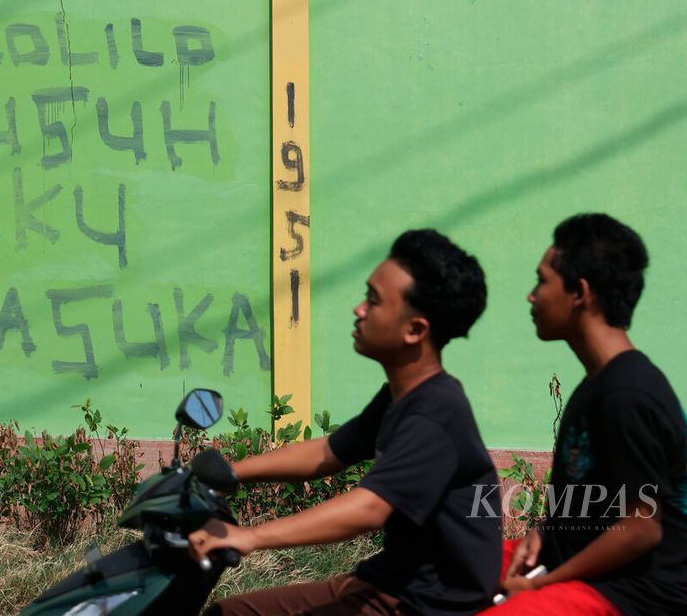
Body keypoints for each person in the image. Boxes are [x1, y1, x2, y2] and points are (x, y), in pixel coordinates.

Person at [189, 229, 502, 615]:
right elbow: (327, 452)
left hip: (424, 605)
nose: (358, 310)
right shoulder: (402, 396)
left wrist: (250, 537)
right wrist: (228, 473)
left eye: (373, 301)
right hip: (387, 582)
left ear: (415, 330)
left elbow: (368, 509)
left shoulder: (435, 413)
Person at [489, 213, 687, 615]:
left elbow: (640, 528)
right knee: (444, 565)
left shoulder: (626, 394)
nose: (531, 295)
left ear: (580, 292)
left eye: (542, 281)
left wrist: (541, 584)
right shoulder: (601, 383)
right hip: (579, 569)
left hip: (634, 593)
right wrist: (543, 532)